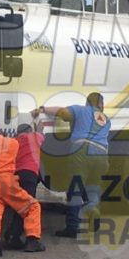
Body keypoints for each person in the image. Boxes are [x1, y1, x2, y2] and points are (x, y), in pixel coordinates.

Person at [32, 92, 110, 239]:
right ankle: (93, 208)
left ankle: (72, 227)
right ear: (101, 105)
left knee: (75, 189)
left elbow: (61, 112)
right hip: (101, 154)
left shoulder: (80, 110)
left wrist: (42, 109)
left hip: (82, 152)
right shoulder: (106, 119)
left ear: (88, 102)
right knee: (92, 187)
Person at [0, 134, 44, 257]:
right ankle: (32, 240)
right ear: (3, 135)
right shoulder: (11, 143)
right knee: (32, 206)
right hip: (5, 182)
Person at [5, 122, 45, 250]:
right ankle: (31, 241)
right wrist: (39, 126)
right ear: (29, 130)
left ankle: (13, 236)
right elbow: (41, 132)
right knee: (30, 207)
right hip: (29, 174)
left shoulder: (14, 142)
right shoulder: (35, 136)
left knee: (20, 207)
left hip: (15, 176)